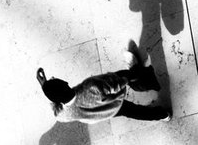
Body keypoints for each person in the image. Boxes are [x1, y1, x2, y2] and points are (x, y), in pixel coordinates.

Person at [37, 46, 171, 124]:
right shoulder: (90, 87)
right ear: (66, 84)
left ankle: (163, 115)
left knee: (135, 112)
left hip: (107, 112)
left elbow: (55, 103)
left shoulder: (62, 115)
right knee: (124, 76)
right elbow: (117, 83)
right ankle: (146, 79)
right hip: (113, 98)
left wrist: (45, 85)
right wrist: (128, 77)